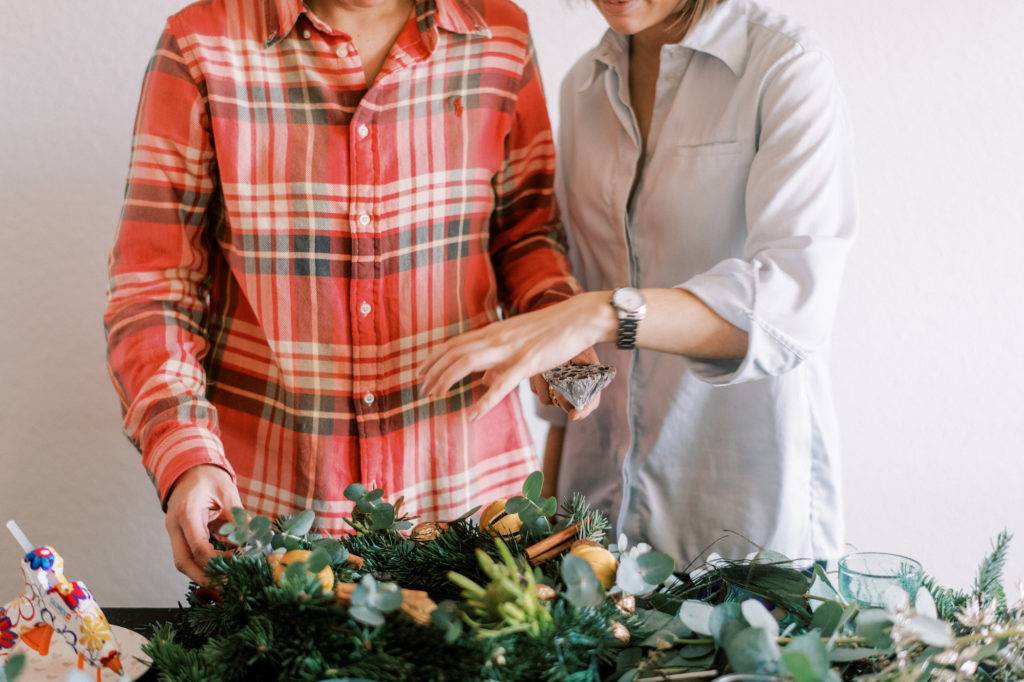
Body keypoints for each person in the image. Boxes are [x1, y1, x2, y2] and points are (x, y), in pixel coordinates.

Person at [104, 0, 597, 585]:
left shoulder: (500, 35)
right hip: (272, 509)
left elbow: (525, 232)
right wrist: (184, 456)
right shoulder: (200, 44)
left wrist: (556, 332)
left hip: (470, 499)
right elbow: (154, 287)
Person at [419, 0, 857, 565]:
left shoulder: (784, 67)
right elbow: (575, 296)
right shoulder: (584, 85)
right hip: (593, 513)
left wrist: (605, 312)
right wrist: (549, 512)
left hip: (741, 508)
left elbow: (795, 304)